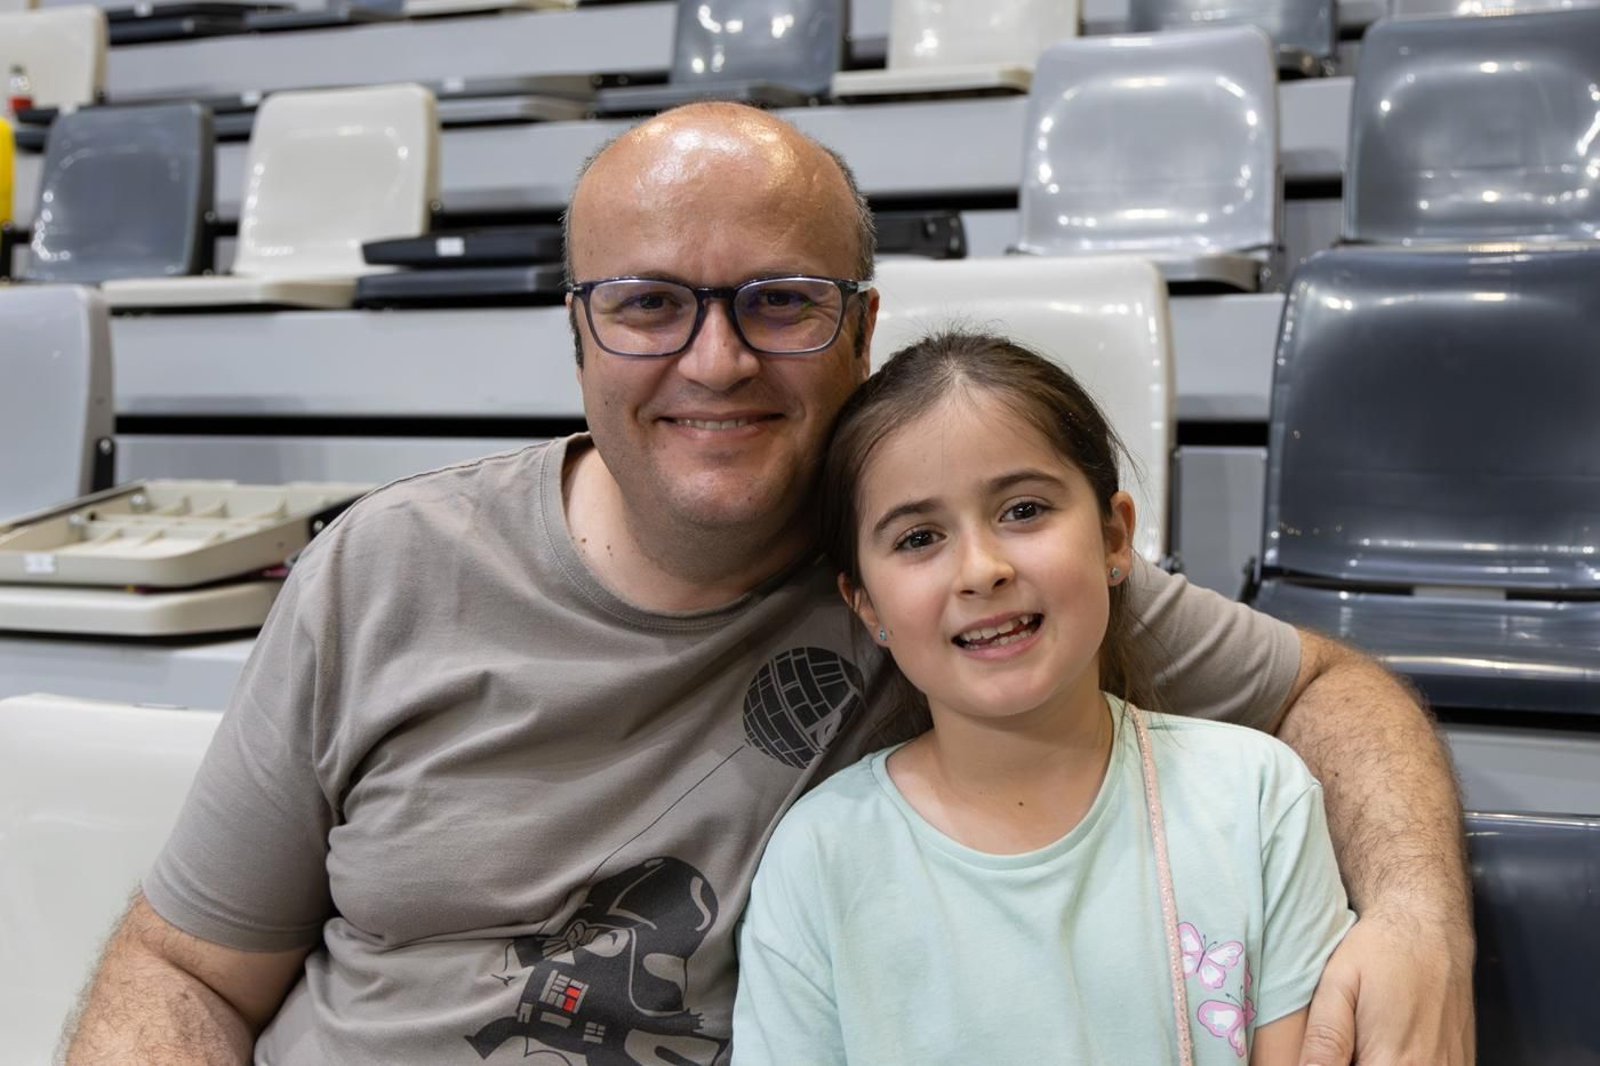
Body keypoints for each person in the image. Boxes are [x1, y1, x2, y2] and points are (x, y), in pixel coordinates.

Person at [64, 102, 1473, 1065]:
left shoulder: (950, 585)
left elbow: (1332, 691)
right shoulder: (380, 568)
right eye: (647, 303)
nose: (716, 359)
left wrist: (1417, 913)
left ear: (863, 329)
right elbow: (181, 968)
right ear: (579, 334)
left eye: (779, 300)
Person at [733, 331, 1358, 1064]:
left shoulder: (1256, 798)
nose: (981, 570)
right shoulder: (818, 858)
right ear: (866, 604)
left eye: (1024, 510)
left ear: (1115, 538)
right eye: (919, 538)